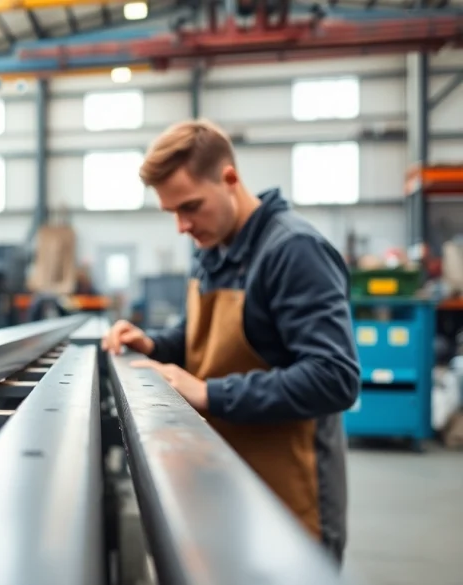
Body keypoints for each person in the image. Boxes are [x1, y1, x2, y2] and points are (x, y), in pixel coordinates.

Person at [101, 119, 360, 565]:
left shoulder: (293, 250)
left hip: (289, 497)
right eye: (172, 213)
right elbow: (200, 338)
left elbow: (334, 377)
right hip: (228, 480)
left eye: (191, 207)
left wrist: (207, 393)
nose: (182, 226)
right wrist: (155, 345)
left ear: (230, 179)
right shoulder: (214, 248)